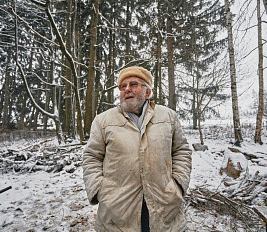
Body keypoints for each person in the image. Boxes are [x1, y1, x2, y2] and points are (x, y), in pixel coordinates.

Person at [82, 66, 192, 232]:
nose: (127, 89)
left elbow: (181, 151)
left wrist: (178, 184)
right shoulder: (103, 121)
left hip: (163, 203)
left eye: (133, 84)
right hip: (118, 210)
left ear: (147, 92)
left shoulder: (168, 117)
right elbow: (91, 157)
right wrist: (100, 190)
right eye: (123, 86)